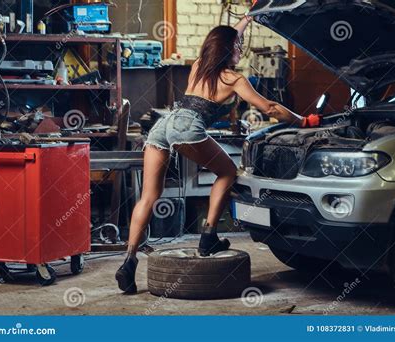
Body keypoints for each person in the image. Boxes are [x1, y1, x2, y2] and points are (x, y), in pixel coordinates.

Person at [116, 15, 321, 294]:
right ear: (228, 50)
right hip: (188, 126)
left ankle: (128, 263)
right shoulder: (233, 79)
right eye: (238, 47)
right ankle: (208, 236)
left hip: (163, 125)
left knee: (149, 196)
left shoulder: (200, 66)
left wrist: (247, 19)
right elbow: (270, 108)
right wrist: (304, 121)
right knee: (226, 172)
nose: (240, 50)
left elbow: (227, 36)